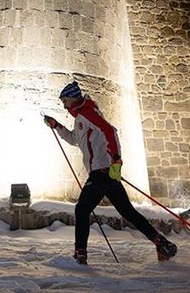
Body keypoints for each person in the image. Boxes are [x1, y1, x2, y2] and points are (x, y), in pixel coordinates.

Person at [44, 81, 177, 265]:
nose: (64, 105)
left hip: (101, 172)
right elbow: (75, 139)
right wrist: (56, 125)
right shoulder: (81, 117)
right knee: (128, 212)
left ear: (73, 99)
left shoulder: (87, 112)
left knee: (82, 210)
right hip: (105, 173)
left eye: (65, 100)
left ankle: (80, 253)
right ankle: (161, 243)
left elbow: (110, 131)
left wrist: (116, 159)